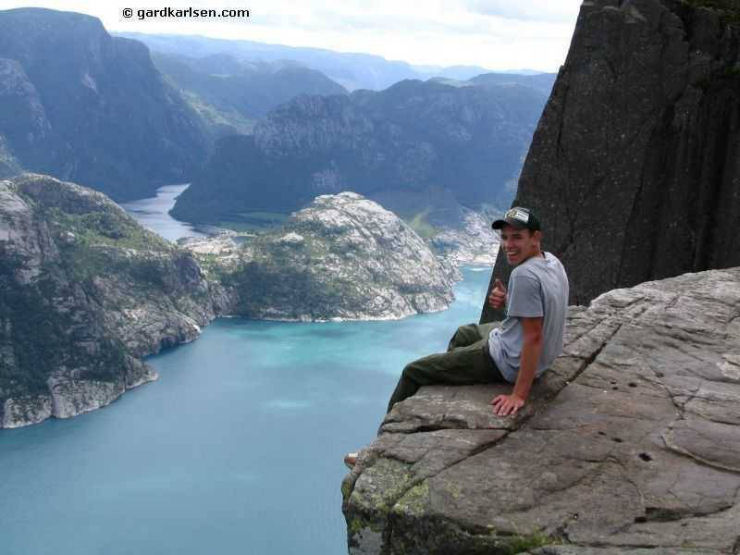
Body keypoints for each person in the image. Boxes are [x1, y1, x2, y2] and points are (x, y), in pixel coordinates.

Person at [344, 207, 569, 468]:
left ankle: (378, 450)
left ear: (535, 237)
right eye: (505, 238)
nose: (509, 245)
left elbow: (533, 337)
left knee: (413, 372)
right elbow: (542, 311)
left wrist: (519, 394)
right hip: (536, 355)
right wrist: (509, 300)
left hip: (506, 360)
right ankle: (449, 382)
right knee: (464, 333)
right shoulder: (552, 262)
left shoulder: (524, 274)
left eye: (517, 237)